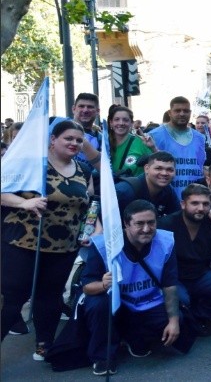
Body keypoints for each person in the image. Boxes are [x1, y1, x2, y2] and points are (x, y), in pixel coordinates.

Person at [1, 120, 93, 360]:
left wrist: (91, 229)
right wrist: (24, 202)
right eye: (68, 138)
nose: (74, 143)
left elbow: (88, 205)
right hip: (24, 243)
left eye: (78, 140)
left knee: (50, 296)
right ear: (53, 140)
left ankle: (44, 343)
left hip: (64, 247)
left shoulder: (84, 170)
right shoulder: (31, 164)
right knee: (14, 296)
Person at [81, 200, 196, 375]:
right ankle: (103, 356)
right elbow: (87, 287)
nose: (146, 229)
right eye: (139, 223)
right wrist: (103, 284)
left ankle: (134, 338)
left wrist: (173, 321)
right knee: (98, 305)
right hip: (114, 302)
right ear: (126, 224)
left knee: (176, 318)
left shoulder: (165, 241)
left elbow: (169, 284)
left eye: (151, 223)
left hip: (145, 300)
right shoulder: (104, 245)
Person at [158, 184, 211, 333]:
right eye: (195, 203)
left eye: (205, 204)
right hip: (174, 279)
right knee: (182, 301)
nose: (201, 208)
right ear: (183, 204)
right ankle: (186, 318)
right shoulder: (167, 224)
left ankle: (197, 316)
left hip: (200, 275)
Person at [148, 97, 206, 198]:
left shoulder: (200, 137)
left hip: (194, 198)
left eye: (186, 111)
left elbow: (200, 166)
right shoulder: (154, 136)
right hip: (165, 197)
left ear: (190, 113)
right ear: (170, 113)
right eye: (177, 110)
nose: (182, 114)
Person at [116, 151, 181, 217]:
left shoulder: (168, 190)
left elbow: (177, 219)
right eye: (158, 168)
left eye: (170, 170)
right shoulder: (124, 192)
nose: (164, 173)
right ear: (146, 168)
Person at [108, 105, 156, 178]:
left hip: (136, 188)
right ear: (111, 122)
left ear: (131, 123)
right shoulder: (104, 143)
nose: (121, 123)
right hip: (109, 188)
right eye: (117, 119)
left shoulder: (141, 142)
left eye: (125, 120)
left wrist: (153, 148)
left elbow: (160, 163)